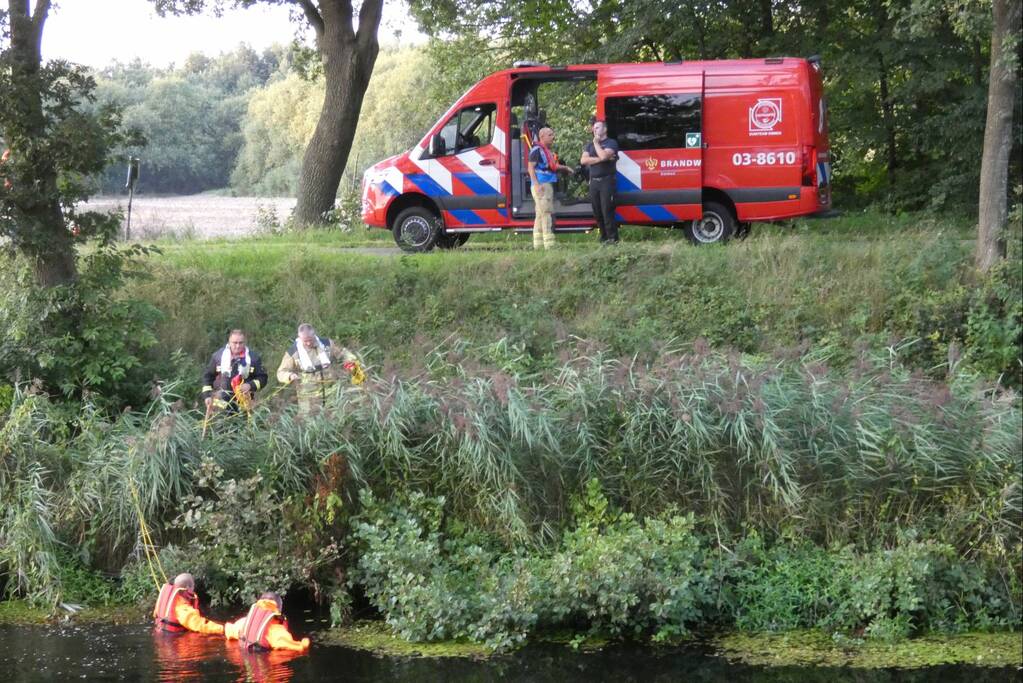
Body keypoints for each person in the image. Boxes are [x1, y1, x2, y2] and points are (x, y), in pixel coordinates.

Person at [276, 323, 364, 414]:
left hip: (332, 391)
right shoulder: (293, 352)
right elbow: (281, 372)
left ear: (314, 334)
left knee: (335, 417)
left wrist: (352, 364)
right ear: (299, 337)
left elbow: (342, 354)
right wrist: (290, 376)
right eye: (305, 341)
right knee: (310, 423)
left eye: (310, 340)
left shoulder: (326, 344)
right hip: (308, 396)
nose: (308, 343)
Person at [527, 127, 573, 250]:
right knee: (546, 213)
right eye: (550, 135)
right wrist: (536, 185)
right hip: (542, 185)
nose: (553, 137)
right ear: (542, 136)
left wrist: (565, 168)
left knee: (540, 214)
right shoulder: (536, 151)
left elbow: (552, 166)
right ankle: (549, 245)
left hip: (546, 184)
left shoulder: (546, 151)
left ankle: (538, 245)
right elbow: (530, 168)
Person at [201, 329, 268, 413]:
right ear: (229, 342)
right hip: (220, 404)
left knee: (243, 425)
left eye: (241, 343)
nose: (237, 346)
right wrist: (207, 396)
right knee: (220, 425)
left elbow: (263, 378)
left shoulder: (253, 358)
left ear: (245, 342)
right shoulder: (218, 357)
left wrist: (250, 385)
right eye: (235, 343)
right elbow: (208, 376)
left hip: (244, 403)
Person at [224, 592, 310, 652]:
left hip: (244, 657)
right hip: (263, 662)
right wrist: (304, 644)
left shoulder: (244, 622)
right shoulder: (278, 630)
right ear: (278, 609)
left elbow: (228, 629)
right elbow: (287, 644)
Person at [580, 119, 620, 244]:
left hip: (607, 181)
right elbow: (583, 161)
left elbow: (604, 155)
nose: (594, 129)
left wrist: (597, 144)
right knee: (597, 211)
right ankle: (603, 238)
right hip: (594, 182)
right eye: (594, 127)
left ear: (605, 129)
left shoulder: (611, 143)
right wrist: (601, 159)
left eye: (597, 127)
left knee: (607, 210)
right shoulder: (589, 145)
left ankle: (612, 239)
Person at [153, 573, 224, 635]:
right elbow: (198, 624)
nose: (194, 588)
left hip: (162, 633)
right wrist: (224, 629)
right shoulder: (182, 608)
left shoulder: (172, 600)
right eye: (193, 585)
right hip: (174, 640)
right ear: (188, 587)